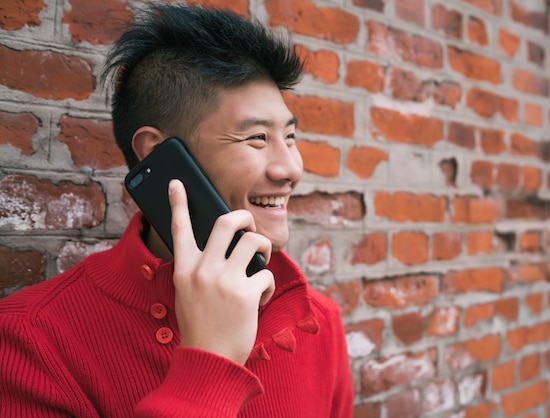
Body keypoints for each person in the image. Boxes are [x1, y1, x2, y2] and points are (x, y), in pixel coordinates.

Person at [0, 3, 353, 417]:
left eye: (290, 136)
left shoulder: (318, 320)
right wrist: (209, 364)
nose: (291, 169)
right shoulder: (30, 339)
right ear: (159, 156)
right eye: (257, 137)